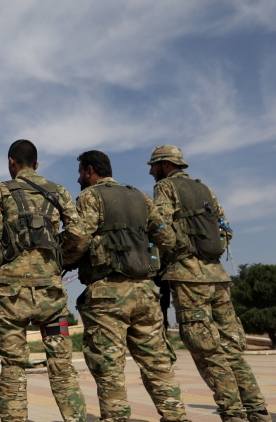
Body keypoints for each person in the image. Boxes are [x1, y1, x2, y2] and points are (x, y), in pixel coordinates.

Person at [148, 145, 271, 422]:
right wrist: (209, 253)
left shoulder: (165, 188)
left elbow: (160, 227)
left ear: (166, 165)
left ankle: (233, 414)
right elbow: (226, 230)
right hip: (218, 276)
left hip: (188, 277)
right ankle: (258, 411)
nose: (150, 170)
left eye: (153, 165)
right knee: (232, 349)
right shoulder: (206, 190)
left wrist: (171, 255)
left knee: (207, 350)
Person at [71, 150, 189, 422]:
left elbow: (78, 240)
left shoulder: (89, 197)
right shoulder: (141, 197)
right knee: (158, 365)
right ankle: (177, 416)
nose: (80, 178)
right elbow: (168, 238)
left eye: (80, 172)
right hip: (146, 293)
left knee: (109, 368)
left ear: (90, 171)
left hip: (107, 295)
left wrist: (63, 258)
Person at [0, 139, 86, 422]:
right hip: (50, 296)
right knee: (61, 365)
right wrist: (59, 262)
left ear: (11, 163)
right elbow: (79, 235)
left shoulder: (2, 191)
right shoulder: (58, 191)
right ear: (37, 165)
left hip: (10, 296)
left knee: (13, 368)